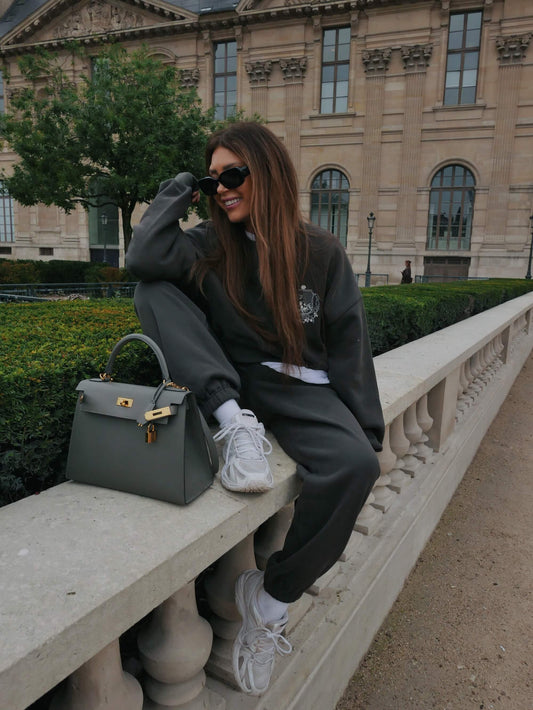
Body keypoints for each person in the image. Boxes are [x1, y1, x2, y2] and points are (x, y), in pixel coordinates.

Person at [126, 121, 384, 696]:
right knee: (152, 290)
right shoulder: (208, 245)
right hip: (236, 387)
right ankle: (232, 426)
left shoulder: (322, 251)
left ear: (268, 173)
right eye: (213, 179)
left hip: (305, 389)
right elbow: (142, 258)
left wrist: (364, 427)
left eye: (234, 174)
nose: (222, 189)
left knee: (358, 466)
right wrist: (182, 185)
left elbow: (350, 343)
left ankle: (268, 603)